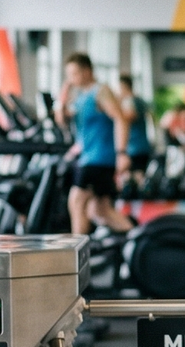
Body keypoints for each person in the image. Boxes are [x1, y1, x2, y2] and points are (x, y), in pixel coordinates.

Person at [54, 52, 134, 235]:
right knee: (100, 211)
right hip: (89, 158)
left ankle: (77, 251)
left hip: (100, 158)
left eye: (74, 74)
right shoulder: (81, 97)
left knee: (76, 200)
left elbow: (120, 119)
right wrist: (63, 94)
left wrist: (122, 153)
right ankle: (138, 239)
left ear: (87, 71)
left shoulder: (101, 91)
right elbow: (61, 120)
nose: (71, 78)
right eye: (68, 75)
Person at [116, 72, 155, 184]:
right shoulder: (140, 100)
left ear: (123, 87)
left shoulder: (130, 101)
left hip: (135, 147)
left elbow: (129, 117)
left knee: (136, 177)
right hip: (142, 146)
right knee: (138, 176)